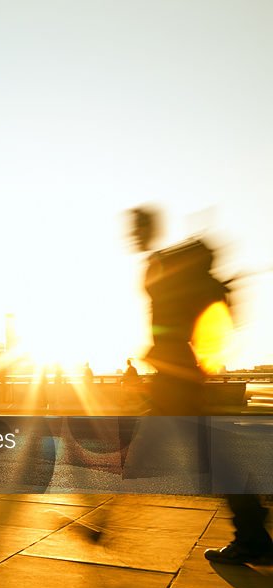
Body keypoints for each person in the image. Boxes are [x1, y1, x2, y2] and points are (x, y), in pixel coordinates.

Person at [128, 207, 270, 564]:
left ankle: (252, 532)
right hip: (180, 376)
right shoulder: (177, 269)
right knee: (208, 455)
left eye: (135, 228)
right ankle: (252, 526)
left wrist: (160, 351)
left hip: (174, 379)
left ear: (147, 229)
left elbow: (171, 324)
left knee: (210, 457)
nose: (131, 235)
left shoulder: (161, 267)